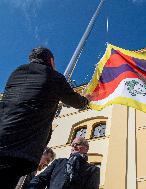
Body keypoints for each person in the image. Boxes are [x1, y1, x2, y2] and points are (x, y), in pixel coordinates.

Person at [0, 47, 89, 189]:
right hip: (22, 147)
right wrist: (86, 100)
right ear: (51, 61)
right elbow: (76, 101)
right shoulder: (54, 76)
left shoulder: (16, 73)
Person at [28, 137, 100, 189]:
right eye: (72, 144)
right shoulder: (59, 162)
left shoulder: (93, 169)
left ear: (86, 148)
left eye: (78, 144)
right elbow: (40, 179)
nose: (74, 146)